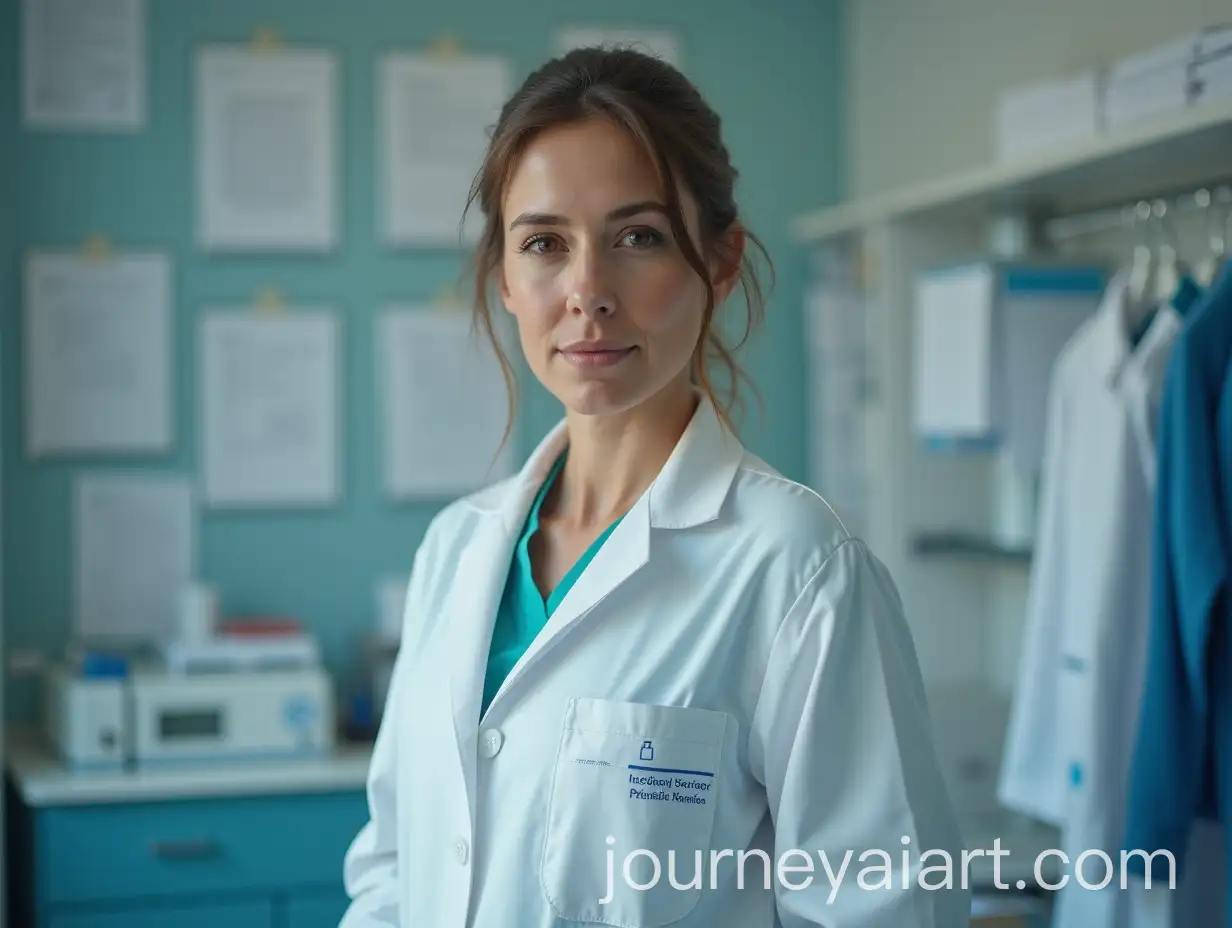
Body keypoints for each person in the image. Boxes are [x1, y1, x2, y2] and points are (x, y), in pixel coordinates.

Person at [340, 46, 969, 928]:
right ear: (505, 280)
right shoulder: (456, 548)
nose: (587, 292)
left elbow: (887, 911)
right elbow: (393, 872)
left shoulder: (799, 571)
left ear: (718, 263)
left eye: (638, 237)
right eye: (545, 245)